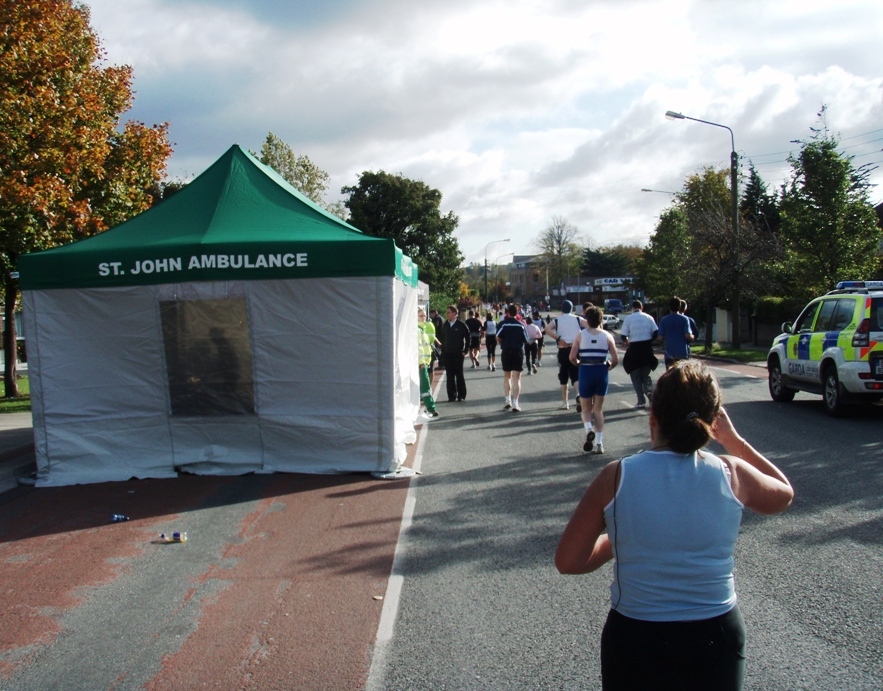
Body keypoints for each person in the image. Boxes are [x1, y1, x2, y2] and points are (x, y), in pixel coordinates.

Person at [555, 360, 794, 690]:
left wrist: (622, 538)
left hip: (637, 635)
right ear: (712, 422)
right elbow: (784, 495)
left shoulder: (616, 476)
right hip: (716, 633)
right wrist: (733, 440)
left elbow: (569, 561)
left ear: (652, 419)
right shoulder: (733, 473)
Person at [570, 307, 619, 454]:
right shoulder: (607, 336)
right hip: (601, 371)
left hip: (586, 370)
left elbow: (572, 357)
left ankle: (588, 429)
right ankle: (599, 443)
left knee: (586, 409)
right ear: (600, 319)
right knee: (598, 409)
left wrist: (578, 363)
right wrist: (609, 367)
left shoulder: (580, 335)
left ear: (587, 319)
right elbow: (616, 359)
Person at [544, 300, 587, 411]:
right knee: (575, 374)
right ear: (572, 308)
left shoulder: (557, 320)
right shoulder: (578, 319)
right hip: (575, 349)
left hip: (563, 349)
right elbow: (590, 325)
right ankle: (578, 395)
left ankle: (565, 402)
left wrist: (558, 338)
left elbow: (546, 328)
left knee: (563, 376)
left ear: (562, 309)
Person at [620, 300, 658, 409]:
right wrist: (650, 340)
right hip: (647, 349)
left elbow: (623, 335)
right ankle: (649, 391)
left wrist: (626, 341)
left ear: (632, 308)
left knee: (635, 376)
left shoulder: (628, 319)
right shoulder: (649, 317)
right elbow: (655, 332)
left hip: (634, 349)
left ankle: (641, 400)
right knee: (645, 375)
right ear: (642, 307)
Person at [496, 305, 530, 411]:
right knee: (517, 378)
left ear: (508, 313)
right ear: (517, 313)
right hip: (517, 351)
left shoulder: (503, 324)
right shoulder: (521, 325)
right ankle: (516, 403)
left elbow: (497, 336)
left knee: (507, 376)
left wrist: (502, 343)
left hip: (506, 351)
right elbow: (527, 339)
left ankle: (507, 400)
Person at [440, 305, 470, 402]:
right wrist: (443, 350)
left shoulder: (461, 325)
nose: (447, 314)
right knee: (449, 375)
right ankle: (451, 395)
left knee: (459, 374)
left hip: (458, 354)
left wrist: (465, 350)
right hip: (447, 354)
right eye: (447, 312)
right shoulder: (445, 325)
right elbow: (442, 337)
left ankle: (461, 395)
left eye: (449, 312)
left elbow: (468, 337)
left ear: (454, 313)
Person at [658, 296, 695, 369]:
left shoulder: (663, 320)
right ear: (679, 306)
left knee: (670, 377)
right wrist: (692, 337)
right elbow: (687, 335)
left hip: (669, 353)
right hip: (682, 353)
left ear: (669, 307)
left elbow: (660, 337)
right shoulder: (684, 319)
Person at [416, 308, 439, 418]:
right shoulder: (418, 331)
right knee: (425, 387)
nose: (423, 318)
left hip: (424, 363)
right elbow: (419, 349)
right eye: (421, 316)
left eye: (424, 316)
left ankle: (428, 408)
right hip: (421, 364)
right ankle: (431, 408)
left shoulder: (422, 330)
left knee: (422, 386)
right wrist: (422, 363)